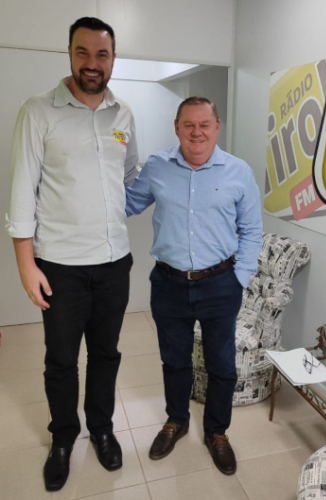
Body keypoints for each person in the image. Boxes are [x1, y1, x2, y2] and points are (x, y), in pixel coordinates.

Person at [5, 17, 139, 491]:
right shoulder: (38, 111)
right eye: (83, 52)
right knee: (61, 360)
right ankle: (63, 438)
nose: (92, 63)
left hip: (114, 263)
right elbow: (21, 191)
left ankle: (101, 429)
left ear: (113, 59)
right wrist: (26, 264)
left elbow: (128, 175)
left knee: (106, 354)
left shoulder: (123, 115)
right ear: (69, 53)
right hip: (60, 266)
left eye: (102, 54)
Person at [126, 96, 262, 475]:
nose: (196, 132)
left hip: (221, 284)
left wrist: (240, 278)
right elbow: (127, 204)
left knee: (222, 365)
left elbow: (252, 230)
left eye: (204, 125)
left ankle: (217, 432)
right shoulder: (157, 166)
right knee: (174, 360)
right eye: (189, 125)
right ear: (177, 127)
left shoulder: (238, 171)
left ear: (217, 128)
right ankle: (177, 421)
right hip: (168, 285)